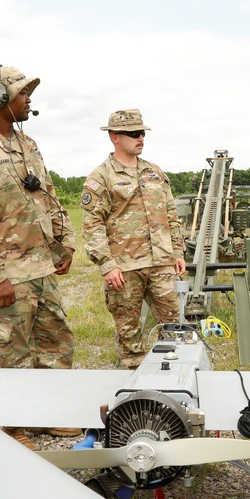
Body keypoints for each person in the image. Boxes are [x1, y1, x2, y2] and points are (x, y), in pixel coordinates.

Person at [0, 65, 80, 450]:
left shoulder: (27, 145)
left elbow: (49, 196)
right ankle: (11, 425)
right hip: (3, 277)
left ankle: (48, 415)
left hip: (39, 268)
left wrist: (66, 243)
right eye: (23, 92)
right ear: (0, 99)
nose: (29, 99)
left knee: (56, 343)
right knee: (9, 352)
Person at [81, 110, 187, 368]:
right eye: (133, 134)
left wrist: (178, 252)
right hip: (125, 268)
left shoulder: (155, 173)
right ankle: (133, 386)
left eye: (142, 133)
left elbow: (171, 215)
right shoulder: (101, 177)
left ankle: (171, 377)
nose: (140, 138)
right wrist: (107, 264)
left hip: (161, 263)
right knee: (129, 331)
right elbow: (92, 225)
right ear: (114, 137)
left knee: (174, 324)